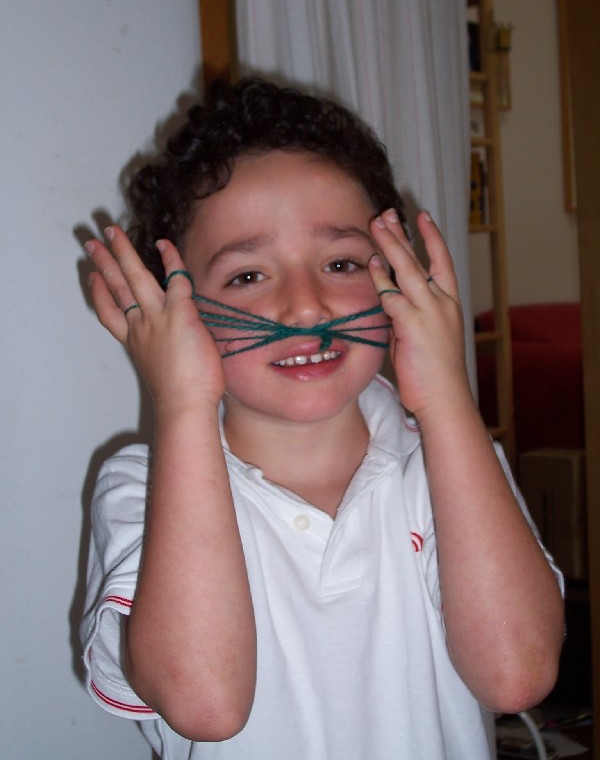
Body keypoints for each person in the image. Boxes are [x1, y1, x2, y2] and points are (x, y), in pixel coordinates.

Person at [81, 77, 564, 760]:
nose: (307, 307)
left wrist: (448, 396)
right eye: (248, 275)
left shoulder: (447, 462)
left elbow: (517, 675)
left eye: (340, 263)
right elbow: (206, 705)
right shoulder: (141, 488)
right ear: (174, 311)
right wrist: (182, 402)